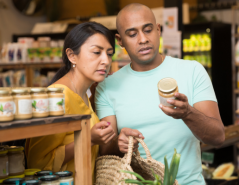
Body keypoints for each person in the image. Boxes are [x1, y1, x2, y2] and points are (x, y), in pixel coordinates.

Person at [95, 3, 225, 184]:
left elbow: (218, 137)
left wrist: (188, 113)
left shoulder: (192, 71)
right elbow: (104, 150)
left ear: (158, 30)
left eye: (148, 30)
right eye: (132, 34)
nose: (142, 39)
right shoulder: (107, 87)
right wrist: (118, 142)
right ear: (120, 41)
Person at [25, 22, 116, 183]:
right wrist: (89, 139)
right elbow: (37, 164)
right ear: (72, 55)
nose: (106, 61)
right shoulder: (57, 97)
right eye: (96, 52)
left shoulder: (83, 94)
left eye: (109, 54)